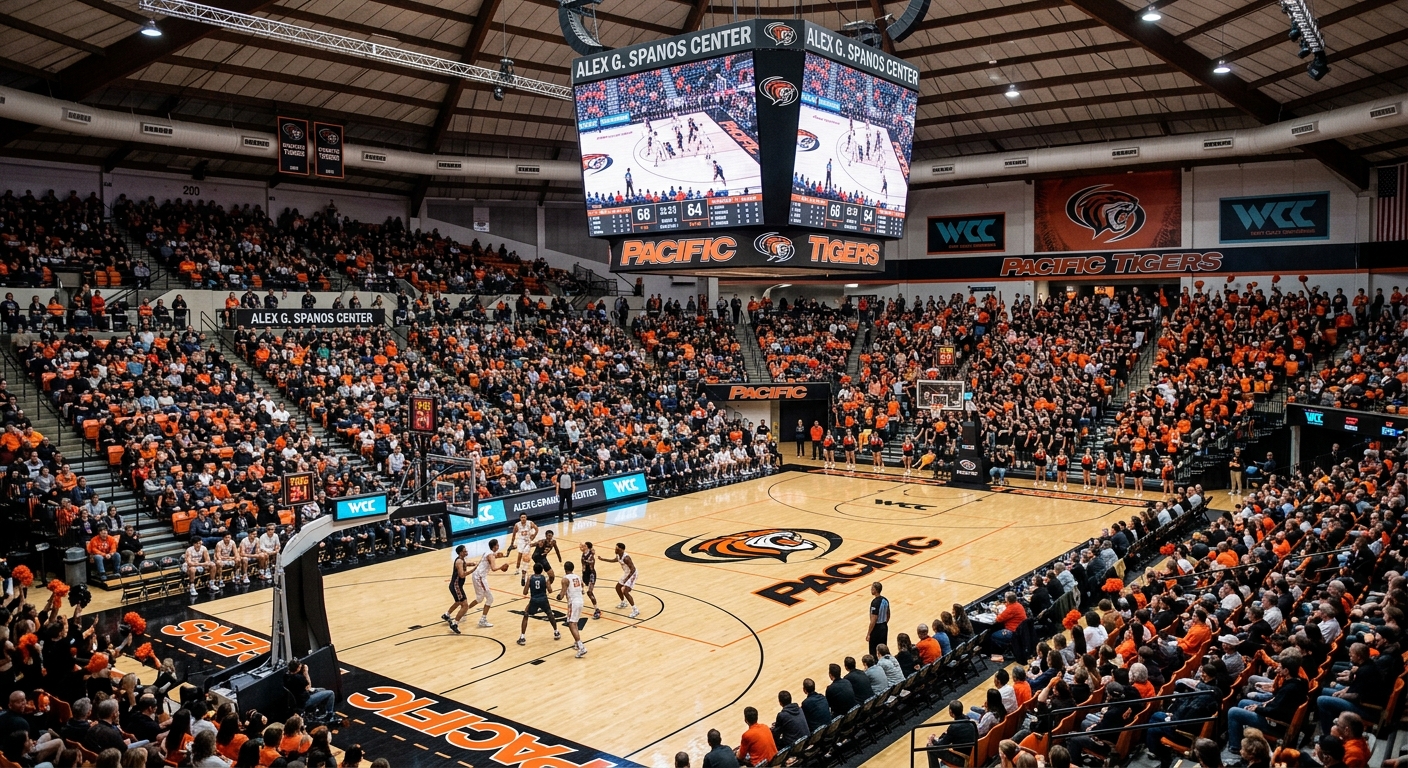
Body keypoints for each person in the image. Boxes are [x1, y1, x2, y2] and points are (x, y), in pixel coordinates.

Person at [464, 539, 510, 628]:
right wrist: (501, 567)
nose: (499, 546)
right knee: (490, 599)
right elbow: (493, 568)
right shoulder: (491, 555)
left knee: (480, 598)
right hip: (480, 577)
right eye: (497, 545)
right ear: (495, 546)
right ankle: (482, 620)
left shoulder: (487, 552)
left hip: (476, 575)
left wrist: (500, 556)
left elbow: (492, 557)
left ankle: (464, 611)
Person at [926, 701, 978, 768]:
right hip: (972, 754)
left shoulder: (953, 727)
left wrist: (932, 741)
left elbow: (942, 745)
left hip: (961, 759)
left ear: (951, 712)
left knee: (930, 748)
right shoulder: (970, 721)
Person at [518, 563, 560, 645]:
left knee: (526, 615)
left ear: (534, 570)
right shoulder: (545, 578)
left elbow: (525, 592)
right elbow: (550, 590)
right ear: (542, 570)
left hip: (534, 600)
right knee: (550, 614)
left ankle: (522, 637)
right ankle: (556, 632)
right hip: (543, 599)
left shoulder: (530, 578)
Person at [556, 560, 589, 658]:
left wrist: (558, 597)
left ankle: (581, 647)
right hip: (580, 601)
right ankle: (576, 643)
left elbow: (562, 594)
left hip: (573, 603)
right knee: (575, 622)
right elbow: (582, 586)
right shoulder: (577, 576)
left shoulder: (565, 579)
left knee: (571, 623)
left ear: (565, 569)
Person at [601, 542, 639, 618]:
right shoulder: (618, 555)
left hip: (632, 574)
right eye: (615, 548)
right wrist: (603, 559)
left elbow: (633, 569)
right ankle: (623, 602)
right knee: (618, 587)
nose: (615, 550)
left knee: (625, 591)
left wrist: (626, 579)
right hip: (626, 574)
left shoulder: (626, 558)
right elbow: (615, 560)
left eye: (617, 549)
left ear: (622, 550)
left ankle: (635, 610)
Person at [443, 545, 472, 634]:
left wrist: (471, 564)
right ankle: (455, 624)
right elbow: (462, 575)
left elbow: (464, 564)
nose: (466, 552)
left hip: (455, 585)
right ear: (460, 553)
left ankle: (446, 615)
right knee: (465, 605)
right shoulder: (459, 561)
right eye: (464, 551)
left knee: (459, 602)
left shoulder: (461, 560)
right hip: (456, 586)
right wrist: (473, 570)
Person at [508, 513, 538, 583]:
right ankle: (517, 569)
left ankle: (525, 569)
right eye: (522, 517)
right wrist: (512, 544)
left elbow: (537, 529)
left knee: (526, 556)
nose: (523, 518)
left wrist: (534, 535)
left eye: (524, 517)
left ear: (526, 518)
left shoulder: (530, 523)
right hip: (520, 541)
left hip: (528, 541)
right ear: (520, 518)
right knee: (519, 555)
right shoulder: (517, 525)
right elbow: (513, 535)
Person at [867, 582, 890, 657]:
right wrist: (884, 623)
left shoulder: (875, 602)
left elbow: (874, 620)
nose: (871, 590)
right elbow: (888, 614)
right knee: (883, 649)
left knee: (873, 651)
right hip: (884, 626)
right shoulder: (885, 600)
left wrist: (869, 633)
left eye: (872, 588)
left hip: (876, 628)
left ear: (875, 590)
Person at [580, 541, 601, 620]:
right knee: (580, 583)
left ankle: (597, 609)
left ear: (588, 547)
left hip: (591, 574)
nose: (583, 547)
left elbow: (589, 562)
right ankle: (582, 590)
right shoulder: (584, 554)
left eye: (585, 546)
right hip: (585, 574)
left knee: (589, 592)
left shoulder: (591, 556)